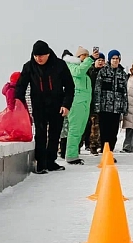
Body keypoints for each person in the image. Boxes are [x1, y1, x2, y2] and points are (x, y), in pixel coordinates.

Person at [15, 40, 75, 174]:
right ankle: (41, 163)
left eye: (41, 55)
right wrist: (19, 104)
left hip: (57, 105)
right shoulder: (29, 66)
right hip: (39, 105)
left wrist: (66, 105)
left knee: (55, 134)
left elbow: (70, 86)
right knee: (40, 134)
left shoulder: (60, 65)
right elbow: (20, 86)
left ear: (48, 54)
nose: (39, 58)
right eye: (36, 56)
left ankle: (51, 161)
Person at [62, 47, 94, 164]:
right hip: (77, 102)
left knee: (80, 130)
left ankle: (74, 153)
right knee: (75, 129)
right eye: (83, 55)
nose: (85, 57)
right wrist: (90, 59)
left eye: (87, 55)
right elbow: (78, 72)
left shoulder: (84, 70)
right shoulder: (71, 66)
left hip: (85, 102)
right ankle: (71, 155)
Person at [94, 50, 128, 158]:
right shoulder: (103, 72)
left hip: (116, 108)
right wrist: (97, 105)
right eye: (113, 58)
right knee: (104, 131)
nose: (115, 60)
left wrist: (125, 107)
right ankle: (105, 152)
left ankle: (110, 152)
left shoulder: (122, 74)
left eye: (117, 58)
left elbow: (125, 92)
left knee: (114, 132)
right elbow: (98, 89)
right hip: (105, 107)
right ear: (109, 60)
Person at [83, 55, 107, 155]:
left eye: (102, 60)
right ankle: (85, 144)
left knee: (96, 126)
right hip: (89, 101)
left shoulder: (105, 72)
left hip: (100, 103)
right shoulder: (89, 71)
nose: (100, 62)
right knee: (86, 125)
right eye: (98, 60)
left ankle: (95, 145)